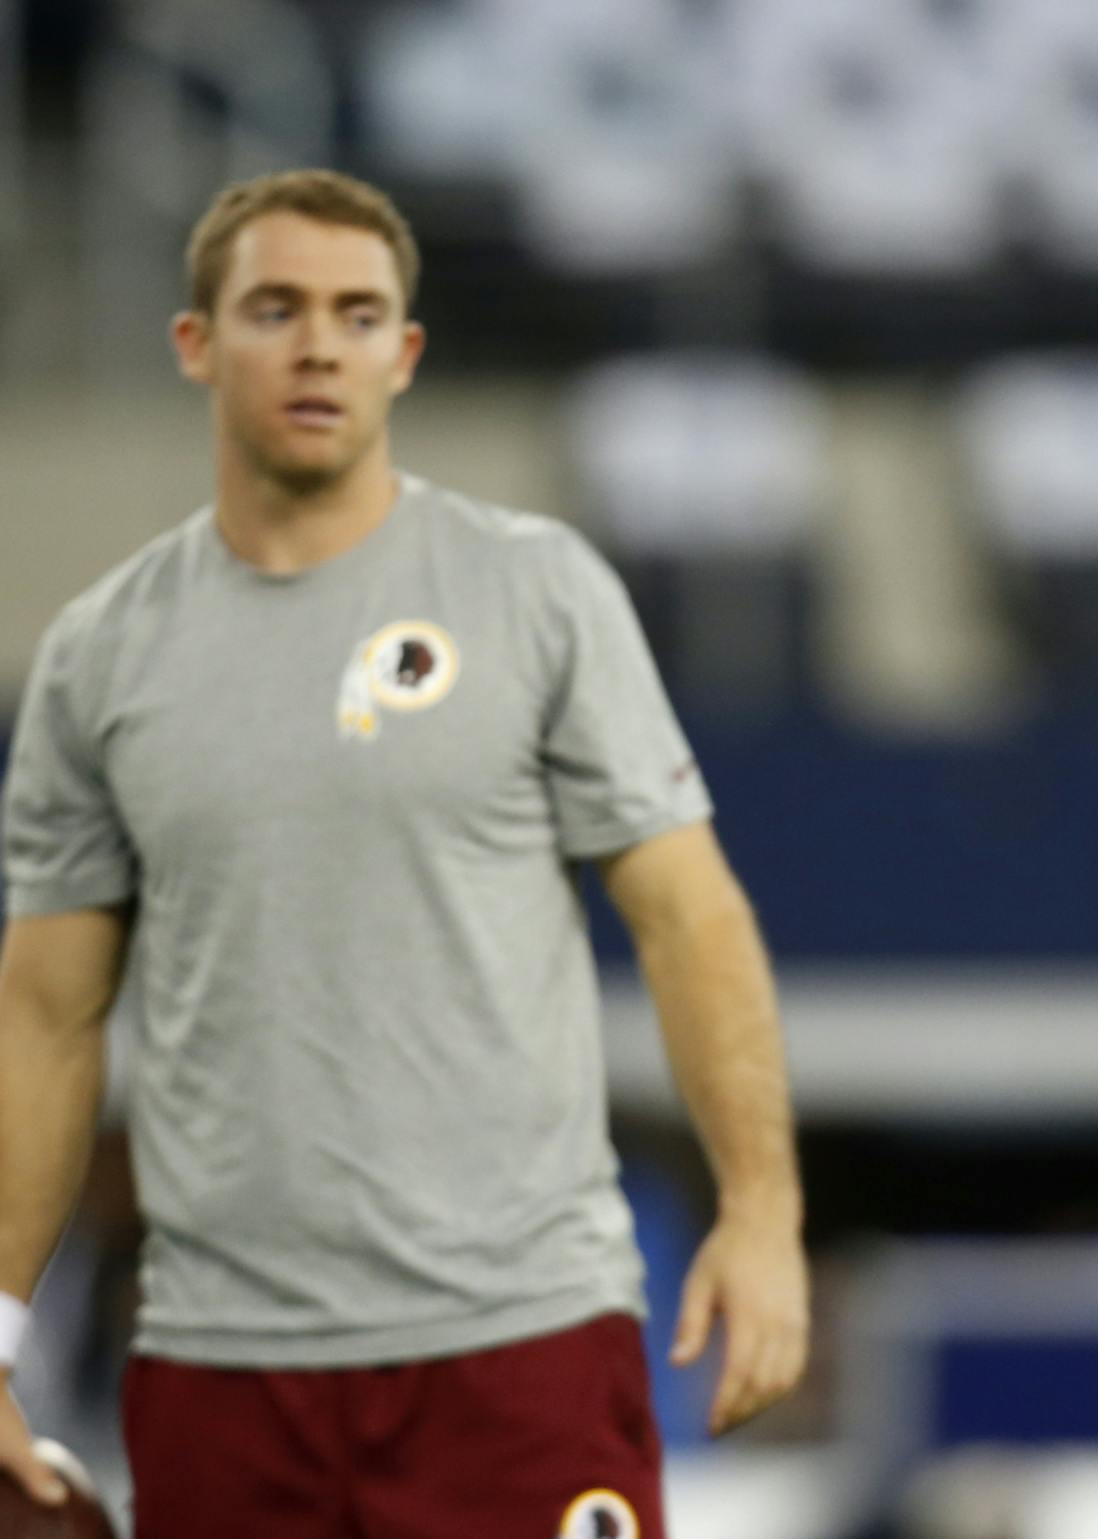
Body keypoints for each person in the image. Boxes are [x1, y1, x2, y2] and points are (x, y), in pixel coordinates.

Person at [0, 170, 809, 1537]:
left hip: (521, 1345)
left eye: (358, 314)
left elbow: (692, 920)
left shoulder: (538, 591)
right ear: (196, 343)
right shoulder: (100, 656)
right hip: (221, 1366)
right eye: (277, 308)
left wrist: (763, 1214)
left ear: (405, 354)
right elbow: (45, 1012)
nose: (320, 344)